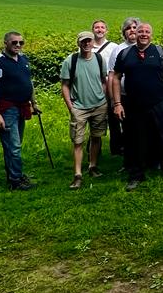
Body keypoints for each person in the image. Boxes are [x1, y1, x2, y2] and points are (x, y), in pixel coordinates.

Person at [110, 22, 163, 191]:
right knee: (134, 140)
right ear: (135, 34)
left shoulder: (160, 52)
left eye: (147, 31)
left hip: (159, 103)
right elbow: (115, 78)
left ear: (151, 35)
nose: (143, 34)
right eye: (140, 31)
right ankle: (136, 175)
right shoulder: (125, 54)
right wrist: (118, 103)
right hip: (133, 105)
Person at [0, 31, 39, 191]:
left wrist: (33, 103)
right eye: (14, 42)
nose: (18, 45)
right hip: (6, 109)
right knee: (13, 146)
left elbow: (28, 82)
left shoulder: (23, 59)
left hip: (22, 106)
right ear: (5, 43)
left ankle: (15, 174)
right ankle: (15, 180)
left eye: (21, 43)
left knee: (14, 145)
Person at [59, 31, 109, 189]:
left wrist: (103, 97)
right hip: (79, 108)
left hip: (99, 106)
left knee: (96, 137)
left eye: (89, 41)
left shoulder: (100, 59)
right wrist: (70, 107)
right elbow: (65, 86)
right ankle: (77, 174)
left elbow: (103, 80)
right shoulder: (71, 61)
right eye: (83, 41)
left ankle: (92, 166)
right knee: (78, 141)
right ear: (78, 43)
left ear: (93, 43)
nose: (87, 44)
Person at [106, 17, 140, 157]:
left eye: (134, 27)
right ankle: (129, 157)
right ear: (124, 32)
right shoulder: (118, 50)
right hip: (124, 95)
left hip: (142, 95)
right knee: (127, 128)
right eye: (128, 28)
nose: (132, 30)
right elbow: (111, 76)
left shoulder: (146, 47)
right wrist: (114, 100)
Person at [91, 19, 118, 161]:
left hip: (111, 86)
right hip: (94, 87)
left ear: (106, 30)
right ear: (92, 30)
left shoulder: (114, 47)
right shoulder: (87, 46)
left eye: (102, 27)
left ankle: (116, 149)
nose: (99, 30)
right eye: (96, 27)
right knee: (95, 118)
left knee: (114, 119)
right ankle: (94, 150)